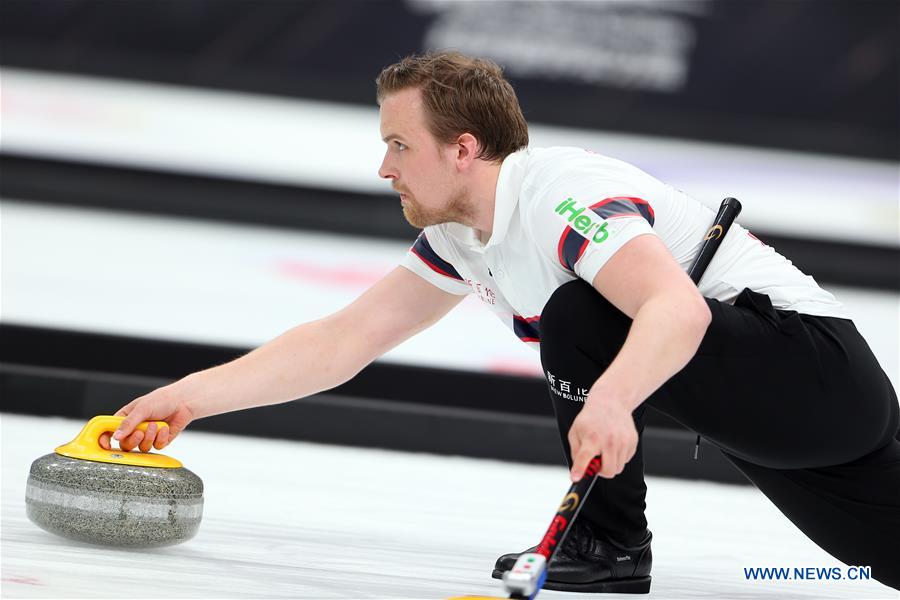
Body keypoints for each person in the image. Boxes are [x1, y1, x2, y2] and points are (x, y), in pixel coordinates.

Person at [100, 51, 900, 592]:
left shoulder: (558, 194)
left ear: (463, 149)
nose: (384, 168)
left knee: (578, 313)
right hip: (781, 417)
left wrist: (613, 400)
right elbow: (345, 341)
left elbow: (677, 308)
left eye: (398, 145)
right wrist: (190, 399)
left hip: (815, 372)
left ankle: (610, 543)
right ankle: (611, 538)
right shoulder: (462, 234)